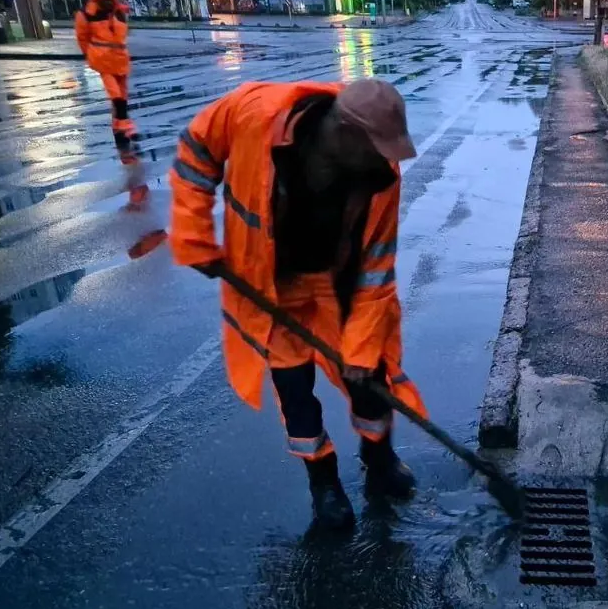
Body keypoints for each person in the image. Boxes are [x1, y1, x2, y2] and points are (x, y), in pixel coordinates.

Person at [168, 79, 425, 530]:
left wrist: (362, 349)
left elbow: (376, 271)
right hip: (273, 286)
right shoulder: (254, 114)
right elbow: (196, 151)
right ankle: (323, 483)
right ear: (345, 132)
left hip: (336, 284)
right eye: (377, 148)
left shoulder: (380, 175)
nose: (386, 159)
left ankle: (378, 458)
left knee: (370, 378)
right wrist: (194, 234)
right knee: (294, 387)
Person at [74, 0, 146, 208]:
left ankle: (120, 127)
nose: (107, 3)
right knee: (116, 95)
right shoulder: (87, 15)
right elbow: (83, 37)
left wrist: (120, 18)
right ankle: (124, 127)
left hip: (120, 61)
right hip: (105, 62)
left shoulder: (115, 13)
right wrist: (91, 55)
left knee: (121, 97)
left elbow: (121, 36)